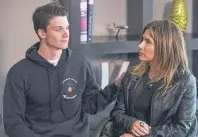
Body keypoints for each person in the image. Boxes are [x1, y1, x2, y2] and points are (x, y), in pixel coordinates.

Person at [3, 3, 122, 137]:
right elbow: (13, 124)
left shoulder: (81, 62)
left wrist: (116, 86)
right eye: (58, 29)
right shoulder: (19, 73)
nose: (66, 34)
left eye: (67, 28)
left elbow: (91, 105)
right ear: (42, 33)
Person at [110, 20, 198, 137]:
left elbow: (181, 128)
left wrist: (146, 134)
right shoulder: (132, 74)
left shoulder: (185, 81)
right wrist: (131, 124)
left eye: (148, 41)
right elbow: (117, 113)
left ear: (165, 46)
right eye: (142, 40)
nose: (140, 45)